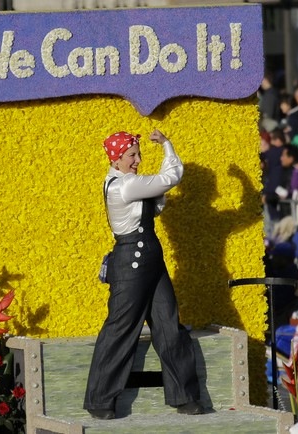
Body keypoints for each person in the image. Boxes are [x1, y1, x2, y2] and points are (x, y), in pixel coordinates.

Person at [84, 130, 203, 420]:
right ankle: (100, 400)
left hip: (151, 259)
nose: (137, 160)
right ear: (116, 159)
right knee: (120, 328)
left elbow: (155, 204)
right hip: (131, 262)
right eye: (131, 156)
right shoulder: (122, 185)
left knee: (169, 325)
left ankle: (185, 397)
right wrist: (167, 145)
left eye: (138, 154)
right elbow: (169, 178)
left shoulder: (131, 183)